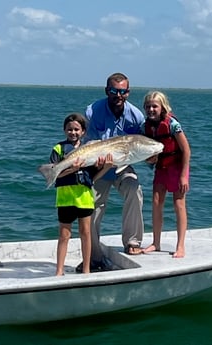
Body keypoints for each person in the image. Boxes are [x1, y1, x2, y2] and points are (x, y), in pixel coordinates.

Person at [79, 72, 145, 272]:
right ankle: (95, 256)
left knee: (134, 188)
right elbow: (89, 144)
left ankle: (132, 242)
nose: (119, 95)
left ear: (128, 92)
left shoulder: (136, 116)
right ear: (106, 90)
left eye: (123, 91)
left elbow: (140, 146)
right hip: (98, 166)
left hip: (122, 165)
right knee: (91, 208)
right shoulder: (93, 111)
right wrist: (98, 163)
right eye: (114, 91)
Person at [49, 113, 113, 275]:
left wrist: (106, 167)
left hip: (85, 198)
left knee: (86, 234)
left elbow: (93, 177)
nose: (73, 132)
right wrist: (73, 169)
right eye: (69, 129)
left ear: (83, 132)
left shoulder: (90, 150)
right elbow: (55, 173)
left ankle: (86, 269)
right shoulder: (58, 149)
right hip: (65, 198)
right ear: (64, 130)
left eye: (77, 129)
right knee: (64, 235)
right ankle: (59, 270)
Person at [142, 91, 191, 258]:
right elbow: (148, 155)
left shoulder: (173, 124)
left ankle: (180, 245)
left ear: (162, 107)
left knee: (178, 204)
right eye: (148, 106)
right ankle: (156, 242)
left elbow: (186, 150)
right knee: (156, 202)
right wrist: (150, 160)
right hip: (161, 168)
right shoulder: (146, 127)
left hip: (177, 168)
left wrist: (184, 175)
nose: (151, 109)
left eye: (154, 106)